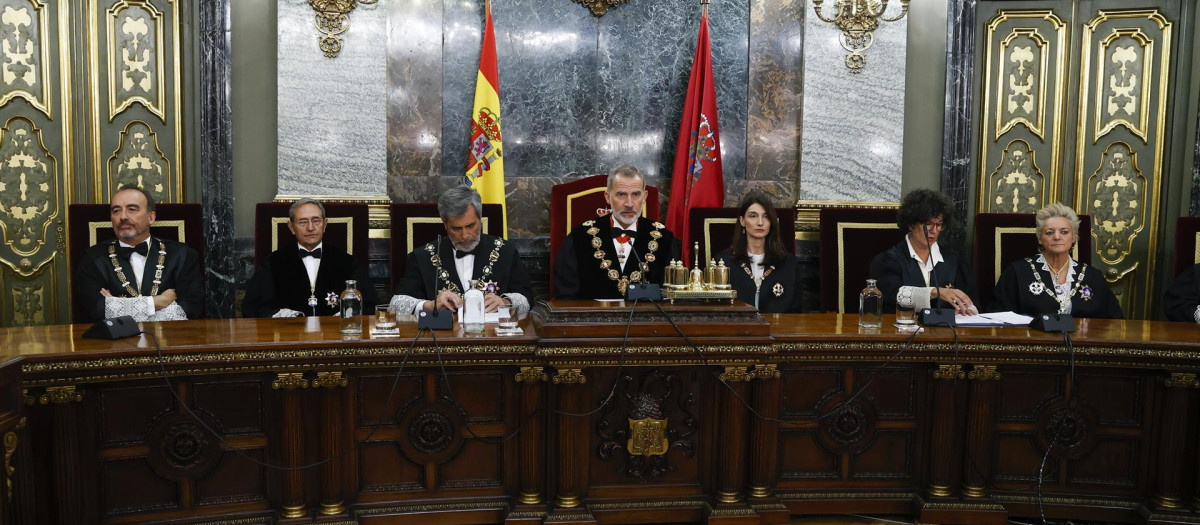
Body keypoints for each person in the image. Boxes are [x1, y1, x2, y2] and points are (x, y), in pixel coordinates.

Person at [390, 186, 533, 315]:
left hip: (493, 337)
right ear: (444, 224)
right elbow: (395, 305)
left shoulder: (505, 252)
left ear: (480, 217)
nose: (465, 235)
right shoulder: (423, 257)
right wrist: (430, 305)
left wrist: (506, 302)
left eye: (471, 226)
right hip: (441, 339)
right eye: (456, 229)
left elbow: (527, 299)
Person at [74, 185, 204, 323]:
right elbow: (97, 309)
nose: (123, 216)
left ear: (151, 217)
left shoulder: (182, 254)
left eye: (132, 209)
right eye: (116, 210)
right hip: (114, 343)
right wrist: (158, 302)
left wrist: (116, 306)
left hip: (169, 341)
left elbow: (191, 308)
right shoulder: (93, 258)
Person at [554, 164, 680, 299]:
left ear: (644, 197)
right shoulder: (580, 237)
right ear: (608, 197)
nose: (629, 203)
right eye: (621, 194)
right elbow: (565, 297)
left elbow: (672, 298)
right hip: (592, 319)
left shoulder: (665, 239)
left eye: (636, 194)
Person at [242, 198, 374, 317]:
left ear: (325, 224)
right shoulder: (273, 264)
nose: (310, 228)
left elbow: (369, 306)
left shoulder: (348, 263)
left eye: (316, 221)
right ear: (291, 227)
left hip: (334, 338)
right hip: (290, 339)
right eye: (302, 222)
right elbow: (254, 308)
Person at [989, 203, 1122, 318]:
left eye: (1064, 232)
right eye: (1049, 232)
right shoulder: (1017, 272)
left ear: (1074, 237)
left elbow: (1114, 320)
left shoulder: (1093, 276)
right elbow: (997, 316)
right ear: (1040, 239)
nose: (1057, 237)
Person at [867, 189, 978, 315]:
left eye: (939, 224)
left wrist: (968, 310)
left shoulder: (954, 260)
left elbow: (972, 304)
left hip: (947, 332)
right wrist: (936, 292)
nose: (934, 231)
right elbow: (894, 295)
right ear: (910, 224)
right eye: (927, 224)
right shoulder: (888, 261)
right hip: (903, 331)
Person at [715, 192, 802, 313]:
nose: (760, 222)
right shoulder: (723, 262)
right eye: (753, 216)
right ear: (742, 221)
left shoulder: (789, 264)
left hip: (778, 329)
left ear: (771, 222)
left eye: (766, 216)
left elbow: (796, 313)